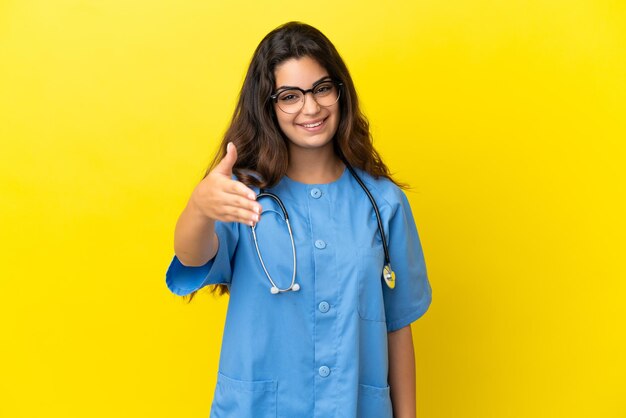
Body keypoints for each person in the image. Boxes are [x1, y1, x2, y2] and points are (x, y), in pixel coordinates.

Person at [166, 21, 432, 418]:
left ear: (340, 91)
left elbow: (398, 326)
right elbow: (192, 257)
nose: (311, 108)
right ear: (268, 105)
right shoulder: (242, 195)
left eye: (322, 88)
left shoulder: (383, 202)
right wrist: (199, 207)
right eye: (290, 96)